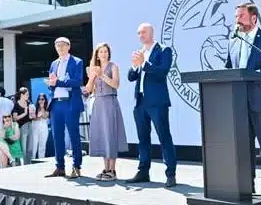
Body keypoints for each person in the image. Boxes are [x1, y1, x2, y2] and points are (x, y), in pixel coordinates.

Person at [224, 3, 261, 199]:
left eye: (241, 15)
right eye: (236, 16)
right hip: (239, 103)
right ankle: (246, 186)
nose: (237, 20)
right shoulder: (233, 41)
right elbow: (228, 68)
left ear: (254, 18)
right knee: (244, 147)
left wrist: (254, 75)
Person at [127, 23, 177, 187]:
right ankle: (143, 171)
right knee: (143, 138)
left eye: (143, 32)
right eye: (138, 32)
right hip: (140, 101)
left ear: (151, 33)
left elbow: (162, 71)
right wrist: (135, 65)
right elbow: (131, 77)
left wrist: (144, 64)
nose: (140, 35)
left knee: (164, 136)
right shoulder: (140, 52)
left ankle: (170, 174)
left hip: (157, 102)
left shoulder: (164, 50)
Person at [86, 42, 128, 181]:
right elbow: (88, 89)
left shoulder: (113, 66)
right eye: (101, 51)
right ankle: (105, 168)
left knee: (111, 133)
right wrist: (92, 77)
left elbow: (116, 84)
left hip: (110, 101)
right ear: (97, 54)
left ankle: (112, 169)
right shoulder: (93, 68)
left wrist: (102, 75)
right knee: (102, 134)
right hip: (98, 102)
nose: (103, 54)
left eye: (105, 51)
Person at [45, 37, 85, 179]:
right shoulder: (54, 63)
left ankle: (76, 166)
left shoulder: (77, 62)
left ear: (69, 46)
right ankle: (60, 167)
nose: (60, 48)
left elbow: (78, 81)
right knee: (57, 137)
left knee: (74, 135)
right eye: (57, 45)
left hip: (70, 102)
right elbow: (52, 84)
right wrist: (50, 83)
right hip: (56, 103)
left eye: (62, 45)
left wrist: (58, 82)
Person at [12, 87, 32, 163]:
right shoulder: (16, 105)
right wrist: (25, 113)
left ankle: (28, 162)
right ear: (21, 95)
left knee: (30, 147)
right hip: (22, 126)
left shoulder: (29, 103)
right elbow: (15, 118)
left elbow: (31, 115)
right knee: (23, 147)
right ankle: (22, 164)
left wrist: (32, 115)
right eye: (27, 94)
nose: (28, 96)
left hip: (30, 124)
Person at [29, 93, 50, 160]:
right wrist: (37, 117)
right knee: (34, 144)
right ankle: (33, 159)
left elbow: (45, 116)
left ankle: (41, 160)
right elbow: (32, 117)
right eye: (39, 99)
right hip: (35, 127)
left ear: (45, 100)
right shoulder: (34, 107)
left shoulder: (47, 108)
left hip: (43, 127)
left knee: (42, 145)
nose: (41, 100)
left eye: (42, 99)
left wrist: (42, 108)